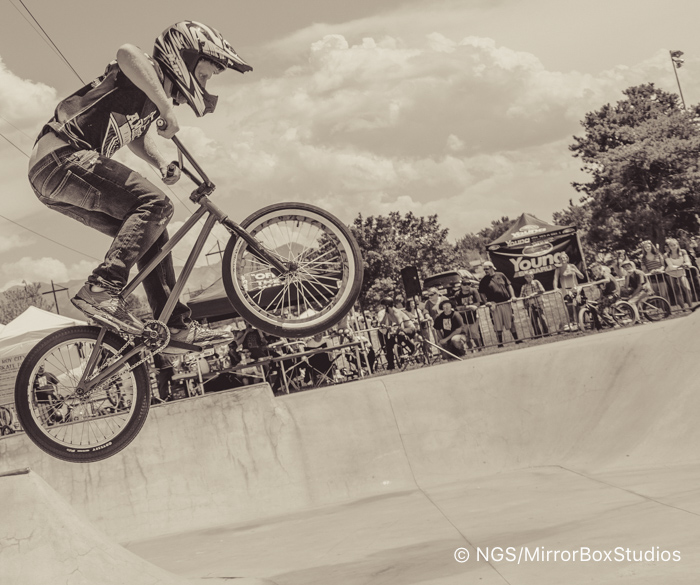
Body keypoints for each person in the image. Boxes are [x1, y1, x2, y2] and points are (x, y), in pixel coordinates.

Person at [28, 21, 251, 348]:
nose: (203, 85)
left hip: (52, 179)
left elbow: (135, 137)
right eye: (203, 75)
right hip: (62, 157)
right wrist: (164, 106)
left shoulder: (146, 99)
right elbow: (127, 52)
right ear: (185, 59)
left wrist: (161, 162)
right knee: (156, 204)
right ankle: (102, 289)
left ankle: (172, 326)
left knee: (153, 232)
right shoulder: (146, 71)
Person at [478, 261, 521, 347]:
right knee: (497, 325)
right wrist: (486, 302)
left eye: (487, 269)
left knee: (511, 322)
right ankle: (500, 344)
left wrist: (513, 296)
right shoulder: (483, 280)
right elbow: (481, 293)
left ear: (492, 268)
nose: (485, 271)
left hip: (506, 302)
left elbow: (509, 285)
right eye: (484, 269)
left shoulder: (501, 275)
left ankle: (517, 340)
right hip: (494, 305)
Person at [379, 297, 416, 370]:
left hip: (410, 328)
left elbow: (401, 325)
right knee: (389, 344)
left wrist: (397, 330)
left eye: (383, 306)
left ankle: (412, 347)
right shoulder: (388, 313)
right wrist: (382, 325)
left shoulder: (396, 312)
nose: (382, 308)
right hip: (400, 328)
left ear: (387, 306)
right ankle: (391, 365)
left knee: (400, 334)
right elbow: (385, 322)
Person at [552, 252, 584, 331]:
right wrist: (555, 287)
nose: (563, 259)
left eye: (564, 258)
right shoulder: (558, 269)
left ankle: (580, 323)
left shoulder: (572, 266)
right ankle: (573, 324)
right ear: (559, 260)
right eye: (561, 258)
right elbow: (555, 279)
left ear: (567, 258)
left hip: (575, 290)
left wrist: (575, 271)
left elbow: (582, 277)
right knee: (569, 308)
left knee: (577, 307)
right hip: (566, 292)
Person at [452, 279, 483, 350]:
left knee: (474, 333)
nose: (467, 286)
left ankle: (480, 348)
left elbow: (478, 303)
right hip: (462, 318)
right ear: (461, 285)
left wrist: (466, 307)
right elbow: (457, 307)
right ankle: (471, 349)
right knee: (466, 335)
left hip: (474, 316)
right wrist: (469, 307)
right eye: (465, 284)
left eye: (469, 284)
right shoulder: (457, 294)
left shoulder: (474, 291)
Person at [664, 237, 693, 309]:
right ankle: (683, 308)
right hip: (670, 273)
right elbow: (671, 266)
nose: (673, 247)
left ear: (677, 245)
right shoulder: (666, 255)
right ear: (669, 247)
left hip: (681, 273)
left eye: (674, 245)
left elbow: (688, 262)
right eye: (671, 245)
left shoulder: (683, 252)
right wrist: (681, 266)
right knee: (677, 291)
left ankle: (691, 307)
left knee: (687, 289)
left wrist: (686, 264)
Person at [590, 263, 620, 329]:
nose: (595, 272)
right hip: (606, 296)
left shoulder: (605, 274)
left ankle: (614, 324)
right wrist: (600, 298)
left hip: (614, 294)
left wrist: (595, 283)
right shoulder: (597, 279)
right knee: (592, 306)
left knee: (600, 309)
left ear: (600, 269)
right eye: (593, 271)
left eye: (596, 270)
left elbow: (607, 280)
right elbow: (601, 290)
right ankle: (598, 326)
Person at [519, 270, 550, 337]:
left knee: (542, 319)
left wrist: (534, 294)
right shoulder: (524, 286)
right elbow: (521, 296)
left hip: (538, 304)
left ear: (532, 276)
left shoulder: (536, 282)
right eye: (527, 277)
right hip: (530, 306)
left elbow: (542, 290)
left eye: (530, 276)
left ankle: (546, 333)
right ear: (525, 278)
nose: (529, 278)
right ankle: (538, 335)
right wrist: (525, 301)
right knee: (534, 321)